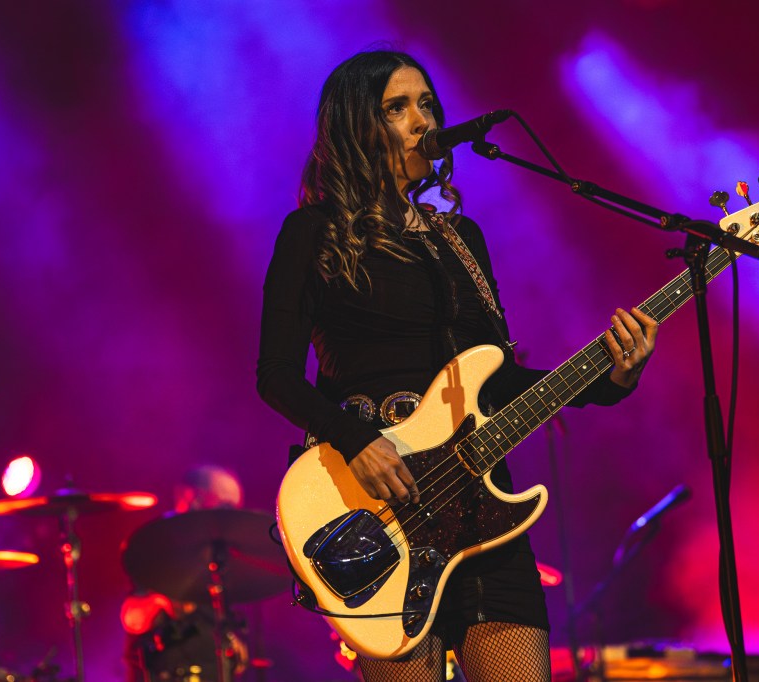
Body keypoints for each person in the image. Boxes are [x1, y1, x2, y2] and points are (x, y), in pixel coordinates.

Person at [256, 50, 658, 682]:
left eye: (427, 104)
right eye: (397, 107)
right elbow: (275, 373)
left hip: (483, 510)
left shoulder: (461, 240)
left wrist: (611, 378)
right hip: (381, 505)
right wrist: (355, 439)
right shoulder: (313, 231)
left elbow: (496, 380)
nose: (422, 120)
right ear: (357, 127)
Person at [121, 465, 249, 681]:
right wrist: (162, 601)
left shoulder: (218, 549)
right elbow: (131, 618)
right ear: (192, 497)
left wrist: (231, 639)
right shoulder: (153, 542)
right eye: (224, 505)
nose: (230, 515)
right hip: (165, 671)